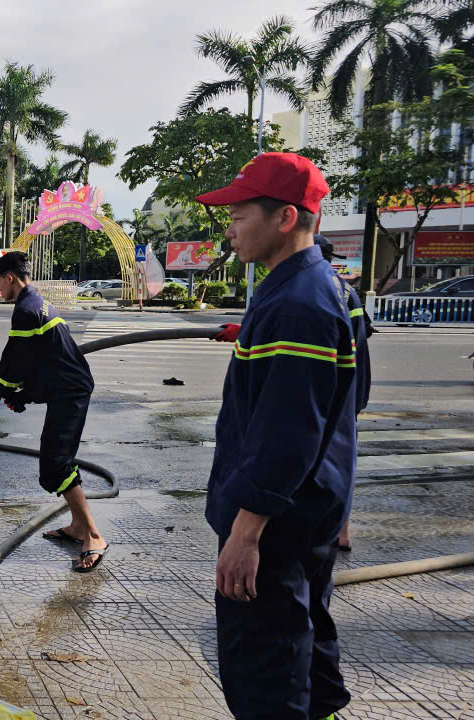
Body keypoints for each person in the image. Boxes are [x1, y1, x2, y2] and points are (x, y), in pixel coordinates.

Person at [196, 152, 356, 720]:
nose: (230, 230)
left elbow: (288, 431)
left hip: (276, 525)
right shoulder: (313, 288)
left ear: (285, 218)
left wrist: (246, 532)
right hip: (310, 509)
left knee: (266, 671)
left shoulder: (297, 305)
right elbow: (333, 399)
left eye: (240, 217)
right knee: (307, 645)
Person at [0, 251, 106, 571]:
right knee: (54, 461)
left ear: (9, 278)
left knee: (56, 463)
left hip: (70, 391)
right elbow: (41, 360)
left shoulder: (25, 309)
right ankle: (77, 526)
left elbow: (16, 359)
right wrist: (24, 394)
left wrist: (0, 389)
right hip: (63, 387)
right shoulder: (38, 303)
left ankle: (92, 535)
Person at [316, 233, 372, 552]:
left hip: (339, 388)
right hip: (352, 385)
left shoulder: (327, 290)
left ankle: (339, 529)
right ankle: (341, 530)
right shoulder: (345, 289)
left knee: (334, 459)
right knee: (342, 460)